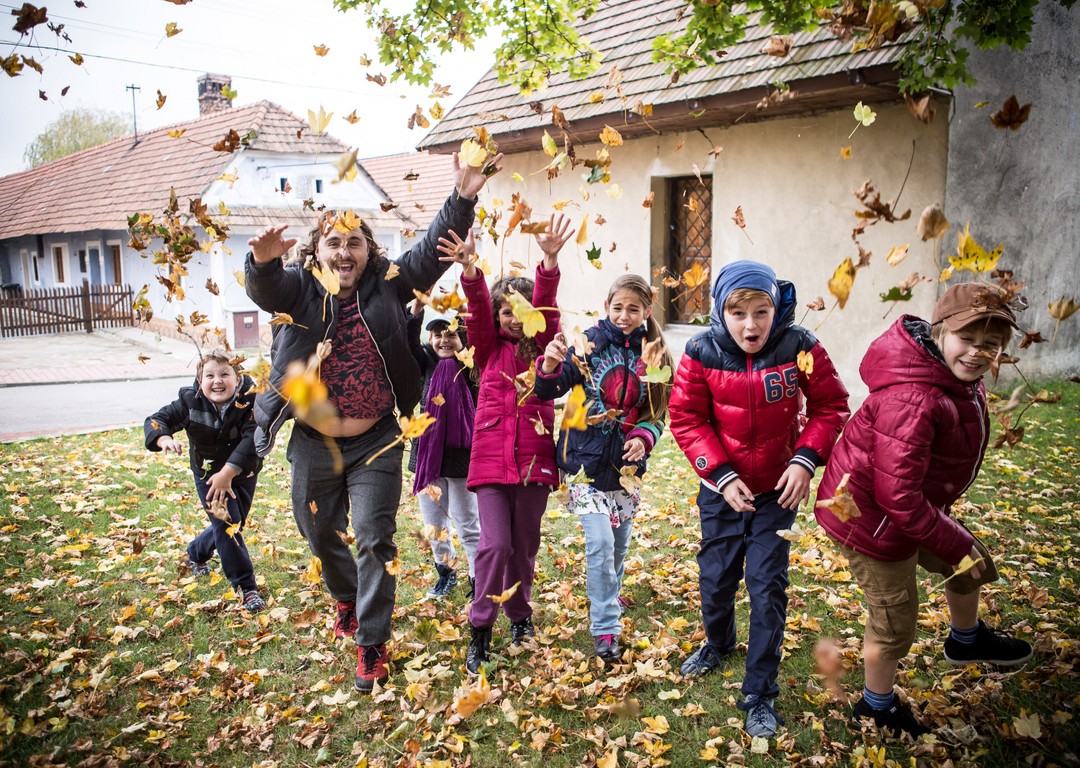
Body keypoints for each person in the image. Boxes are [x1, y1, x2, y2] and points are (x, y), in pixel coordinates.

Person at [244, 153, 501, 693]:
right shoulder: (300, 289)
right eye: (334, 243)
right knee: (318, 532)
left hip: (378, 440)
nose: (344, 251)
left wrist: (462, 197)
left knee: (374, 537)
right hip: (313, 441)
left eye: (355, 242)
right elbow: (266, 291)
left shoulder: (390, 283)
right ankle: (346, 596)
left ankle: (372, 644)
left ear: (369, 250)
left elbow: (431, 250)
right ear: (317, 252)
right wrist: (263, 264)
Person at [815, 282, 1033, 739]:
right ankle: (876, 707)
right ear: (939, 334)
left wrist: (955, 542)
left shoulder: (954, 378)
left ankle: (966, 640)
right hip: (870, 521)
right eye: (967, 339)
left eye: (990, 345)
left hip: (908, 508)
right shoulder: (914, 397)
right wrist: (952, 539)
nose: (977, 353)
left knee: (970, 564)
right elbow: (898, 496)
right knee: (894, 618)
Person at [668, 260, 850, 738]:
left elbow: (831, 405)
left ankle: (760, 693)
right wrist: (721, 475)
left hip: (777, 492)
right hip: (722, 493)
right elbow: (686, 418)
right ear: (720, 312)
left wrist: (805, 460)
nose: (751, 325)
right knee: (716, 580)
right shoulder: (701, 350)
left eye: (761, 312)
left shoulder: (799, 346)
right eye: (738, 313)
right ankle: (719, 642)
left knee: (767, 588)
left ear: (776, 308)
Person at [439, 215, 574, 675]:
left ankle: (520, 616)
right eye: (506, 312)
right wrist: (470, 271)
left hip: (535, 463)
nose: (515, 319)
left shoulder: (541, 350)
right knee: (495, 546)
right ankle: (480, 627)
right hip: (492, 465)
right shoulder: (486, 350)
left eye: (522, 311)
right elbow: (476, 311)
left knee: (523, 548)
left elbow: (547, 312)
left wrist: (549, 263)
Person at [534, 274, 672, 662]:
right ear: (606, 306)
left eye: (633, 309)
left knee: (619, 545)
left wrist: (644, 437)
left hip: (625, 471)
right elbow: (549, 389)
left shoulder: (654, 353)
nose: (624, 316)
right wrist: (549, 364)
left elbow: (658, 412)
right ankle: (605, 626)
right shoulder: (588, 343)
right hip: (584, 465)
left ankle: (610, 590)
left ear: (647, 310)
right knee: (600, 543)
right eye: (618, 307)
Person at [144, 349, 266, 612]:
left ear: (238, 377)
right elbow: (156, 420)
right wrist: (163, 438)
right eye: (209, 376)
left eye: (225, 374)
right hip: (208, 476)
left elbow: (252, 439)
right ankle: (246, 587)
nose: (217, 381)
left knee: (234, 523)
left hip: (242, 473)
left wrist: (228, 473)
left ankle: (195, 554)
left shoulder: (251, 400)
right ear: (200, 381)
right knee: (227, 525)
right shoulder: (190, 401)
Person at [406, 304, 481, 599]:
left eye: (451, 334)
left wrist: (470, 313)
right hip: (429, 458)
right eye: (437, 334)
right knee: (434, 524)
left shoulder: (472, 368)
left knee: (467, 522)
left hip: (463, 459)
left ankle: (478, 579)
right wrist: (416, 311)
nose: (444, 340)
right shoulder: (425, 361)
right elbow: (409, 341)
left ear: (463, 338)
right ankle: (446, 572)